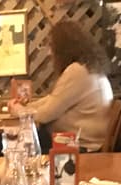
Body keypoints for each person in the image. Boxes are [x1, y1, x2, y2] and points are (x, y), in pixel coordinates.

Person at [13, 21, 114, 151]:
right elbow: (53, 99)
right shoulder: (88, 67)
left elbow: (46, 114)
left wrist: (18, 110)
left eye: (52, 46)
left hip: (82, 146)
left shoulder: (77, 71)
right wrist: (26, 106)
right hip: (87, 141)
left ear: (63, 47)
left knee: (23, 140)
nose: (50, 53)